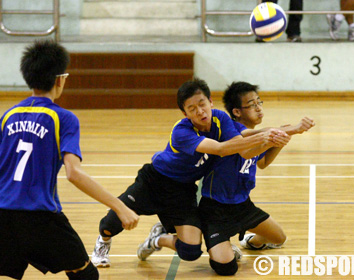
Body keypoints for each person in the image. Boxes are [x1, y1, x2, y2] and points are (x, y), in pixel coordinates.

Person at [91, 78, 285, 267]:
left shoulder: (221, 118)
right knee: (113, 221)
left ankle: (157, 239)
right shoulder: (181, 131)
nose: (200, 111)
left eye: (202, 104)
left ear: (210, 101)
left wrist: (274, 134)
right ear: (185, 113)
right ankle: (102, 243)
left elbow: (241, 143)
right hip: (154, 181)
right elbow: (220, 149)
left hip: (182, 191)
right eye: (192, 109)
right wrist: (265, 136)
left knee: (190, 251)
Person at [0, 40, 139, 280]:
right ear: (59, 79)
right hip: (40, 215)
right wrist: (120, 206)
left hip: (3, 213)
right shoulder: (63, 118)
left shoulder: (7, 116)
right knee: (85, 275)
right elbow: (73, 173)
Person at [198, 81, 315, 276]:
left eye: (259, 102)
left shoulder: (260, 135)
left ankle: (249, 242)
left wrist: (280, 141)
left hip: (242, 205)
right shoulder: (231, 129)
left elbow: (262, 162)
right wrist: (291, 129)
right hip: (215, 208)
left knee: (279, 238)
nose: (259, 108)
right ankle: (223, 247)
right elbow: (247, 148)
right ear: (236, 111)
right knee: (226, 269)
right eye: (252, 104)